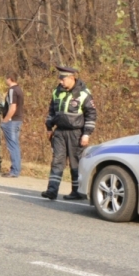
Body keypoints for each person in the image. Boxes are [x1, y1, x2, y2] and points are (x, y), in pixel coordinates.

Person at [42, 65, 97, 200]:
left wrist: (86, 134)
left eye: (63, 79)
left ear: (72, 78)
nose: (60, 82)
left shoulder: (83, 93)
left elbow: (91, 114)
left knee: (75, 163)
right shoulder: (57, 92)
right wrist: (49, 128)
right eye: (60, 79)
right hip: (59, 132)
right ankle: (52, 190)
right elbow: (51, 112)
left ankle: (77, 192)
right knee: (57, 161)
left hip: (76, 133)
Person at [0, 72, 23, 177]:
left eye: (6, 78)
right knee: (15, 146)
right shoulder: (19, 89)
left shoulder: (12, 90)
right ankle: (16, 169)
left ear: (9, 78)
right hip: (18, 120)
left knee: (12, 146)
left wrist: (5, 120)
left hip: (12, 121)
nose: (5, 80)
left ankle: (14, 170)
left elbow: (12, 108)